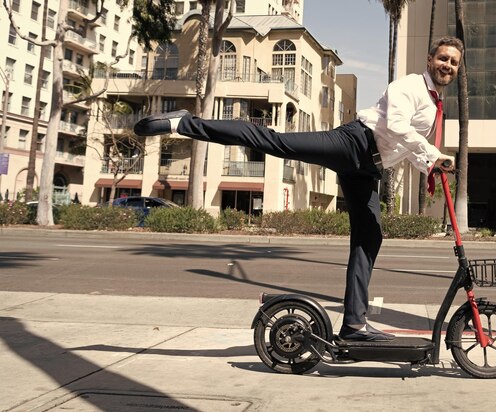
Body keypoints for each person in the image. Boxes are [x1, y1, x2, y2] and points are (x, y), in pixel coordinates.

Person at [134, 36, 463, 342]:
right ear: (430, 58)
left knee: (370, 236)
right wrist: (434, 155)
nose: (447, 65)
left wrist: (430, 164)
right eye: (443, 58)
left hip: (368, 167)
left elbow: (403, 147)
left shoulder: (434, 104)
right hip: (353, 144)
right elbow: (395, 126)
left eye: (454, 62)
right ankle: (183, 123)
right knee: (275, 142)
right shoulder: (409, 86)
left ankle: (354, 324)